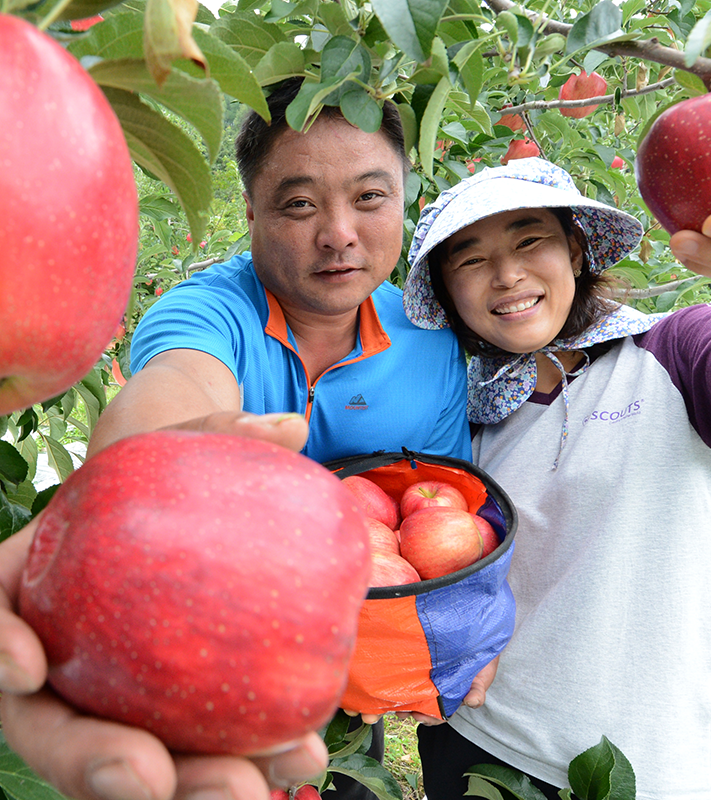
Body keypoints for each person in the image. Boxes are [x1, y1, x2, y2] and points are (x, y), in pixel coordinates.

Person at [0, 76, 473, 800]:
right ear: (250, 213)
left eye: (370, 198)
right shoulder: (208, 311)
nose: (339, 232)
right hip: (179, 636)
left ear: (404, 204)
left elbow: (436, 518)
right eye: (300, 203)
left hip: (339, 655)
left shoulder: (431, 343)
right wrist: (125, 492)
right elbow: (171, 397)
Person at [401, 156, 711, 800]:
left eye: (530, 240)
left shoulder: (680, 354)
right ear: (448, 292)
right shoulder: (462, 414)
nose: (507, 275)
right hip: (480, 745)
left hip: (661, 767)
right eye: (469, 259)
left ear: (577, 251)